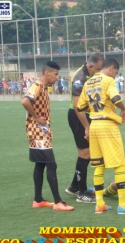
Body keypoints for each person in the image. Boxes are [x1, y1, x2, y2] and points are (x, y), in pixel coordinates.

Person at [77, 58, 125, 214]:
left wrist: (95, 106)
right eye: (116, 72)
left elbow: (80, 106)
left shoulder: (89, 82)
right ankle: (123, 205)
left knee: (99, 165)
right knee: (120, 165)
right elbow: (115, 98)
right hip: (107, 125)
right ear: (112, 68)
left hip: (94, 126)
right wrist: (123, 109)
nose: (115, 75)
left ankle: (99, 204)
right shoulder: (108, 81)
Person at [21, 61, 74, 211]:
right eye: (56, 74)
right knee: (51, 164)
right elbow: (25, 101)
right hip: (37, 133)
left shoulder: (43, 87)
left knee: (41, 163)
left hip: (41, 132)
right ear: (47, 73)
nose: (57, 77)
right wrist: (37, 117)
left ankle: (38, 200)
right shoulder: (37, 86)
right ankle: (58, 202)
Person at [66, 53, 104, 203]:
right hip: (78, 116)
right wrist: (86, 127)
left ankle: (74, 187)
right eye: (98, 69)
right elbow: (77, 107)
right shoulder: (80, 77)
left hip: (86, 115)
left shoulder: (90, 74)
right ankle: (81, 193)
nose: (99, 72)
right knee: (84, 153)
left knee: (88, 153)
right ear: (90, 66)